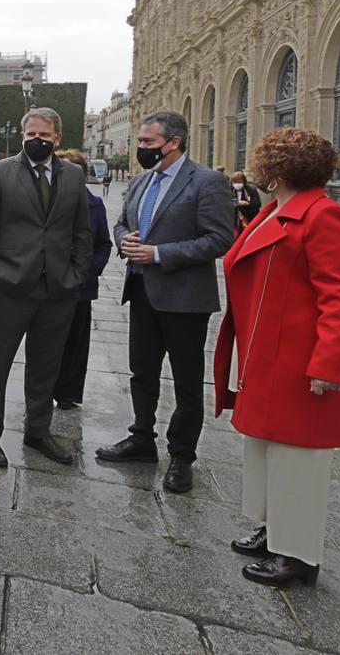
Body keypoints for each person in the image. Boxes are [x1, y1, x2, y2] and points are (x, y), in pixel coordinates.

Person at [215, 128, 340, 588]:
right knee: (267, 446)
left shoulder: (325, 216)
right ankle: (275, 531)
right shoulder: (275, 212)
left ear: (272, 170)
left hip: (301, 359)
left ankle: (298, 555)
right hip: (267, 355)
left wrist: (328, 364)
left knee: (299, 458)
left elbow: (339, 297)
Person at [95, 111, 232, 494]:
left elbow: (219, 239)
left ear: (173, 142)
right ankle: (141, 438)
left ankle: (182, 455)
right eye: (139, 142)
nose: (141, 149)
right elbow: (122, 223)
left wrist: (158, 254)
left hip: (185, 298)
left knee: (187, 382)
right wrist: (124, 240)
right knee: (142, 372)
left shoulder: (207, 182)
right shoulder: (141, 182)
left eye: (148, 143)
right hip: (142, 293)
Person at [0, 108, 91, 468]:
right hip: (10, 286)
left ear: (57, 138)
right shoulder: (1, 172)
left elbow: (82, 232)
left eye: (45, 135)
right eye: (31, 134)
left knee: (46, 366)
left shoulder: (72, 176)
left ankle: (38, 430)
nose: (37, 140)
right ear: (22, 135)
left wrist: (77, 274)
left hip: (58, 289)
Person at [52, 149, 113, 409]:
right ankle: (44, 389)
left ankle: (68, 393)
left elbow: (104, 244)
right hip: (50, 283)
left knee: (76, 342)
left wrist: (91, 270)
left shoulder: (94, 205)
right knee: (49, 341)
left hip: (80, 285)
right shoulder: (46, 202)